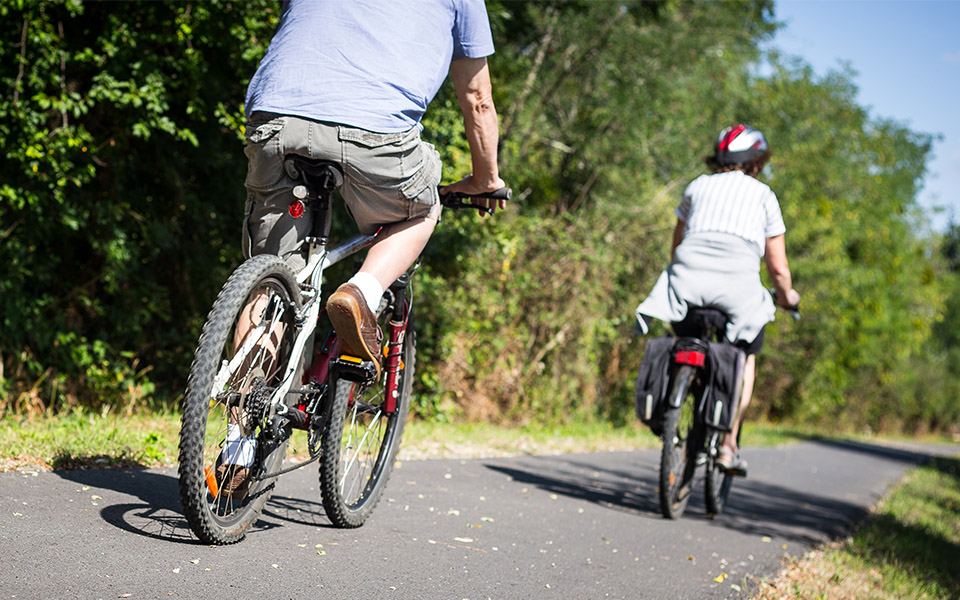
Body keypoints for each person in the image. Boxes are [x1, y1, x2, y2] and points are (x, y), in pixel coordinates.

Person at [219, 0, 507, 496]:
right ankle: (361, 291)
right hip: (372, 131)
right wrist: (485, 179)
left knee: (270, 289)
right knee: (419, 210)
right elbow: (477, 97)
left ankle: (237, 451)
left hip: (276, 115)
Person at [634, 124, 800, 476]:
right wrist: (788, 297)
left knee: (684, 334)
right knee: (745, 354)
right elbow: (778, 268)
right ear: (755, 162)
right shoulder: (764, 196)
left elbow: (677, 246)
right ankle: (727, 445)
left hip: (687, 285)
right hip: (737, 293)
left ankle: (677, 393)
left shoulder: (697, 186)